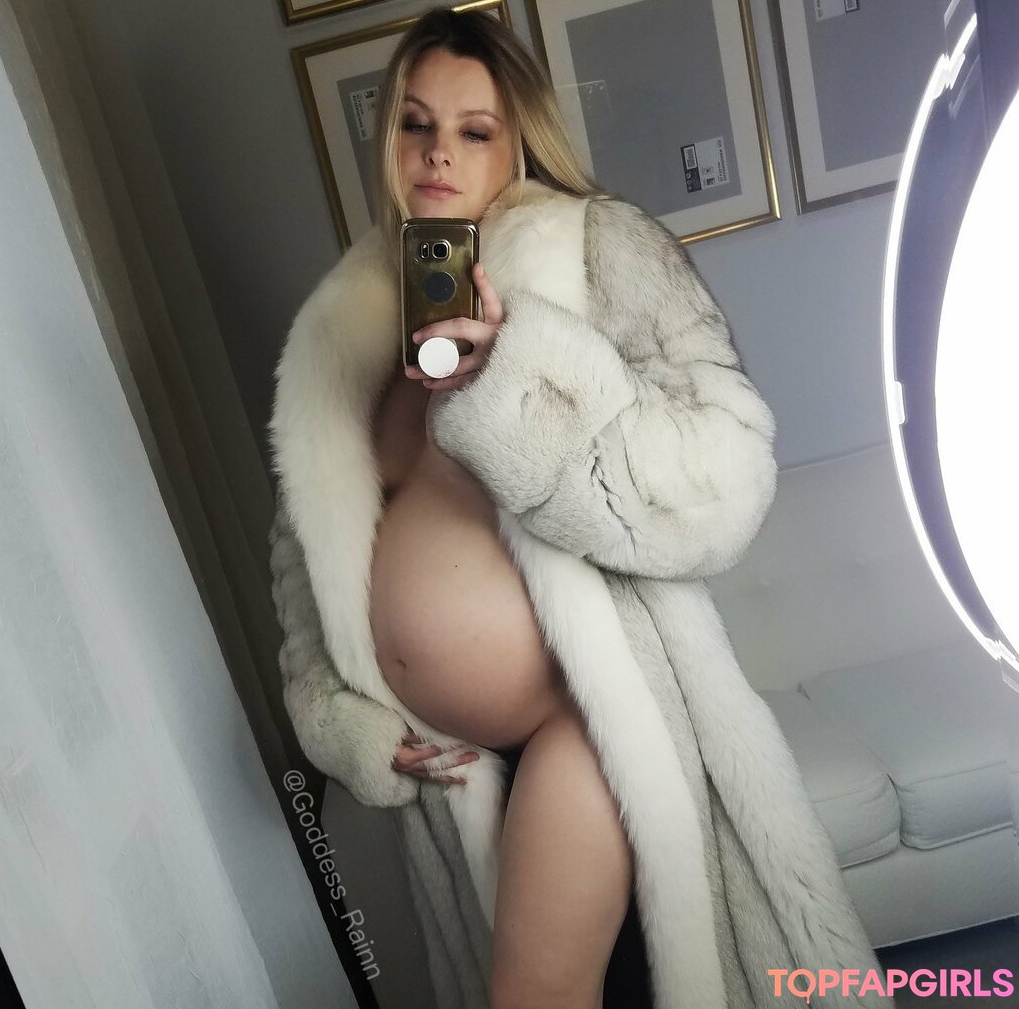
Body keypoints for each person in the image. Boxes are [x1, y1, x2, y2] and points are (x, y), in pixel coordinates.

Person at [269, 8, 893, 1009]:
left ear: (518, 139)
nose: (438, 153)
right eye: (416, 124)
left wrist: (516, 380)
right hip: (453, 772)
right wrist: (343, 722)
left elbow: (728, 476)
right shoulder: (344, 327)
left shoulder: (596, 247)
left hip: (590, 718)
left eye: (474, 130)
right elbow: (306, 567)